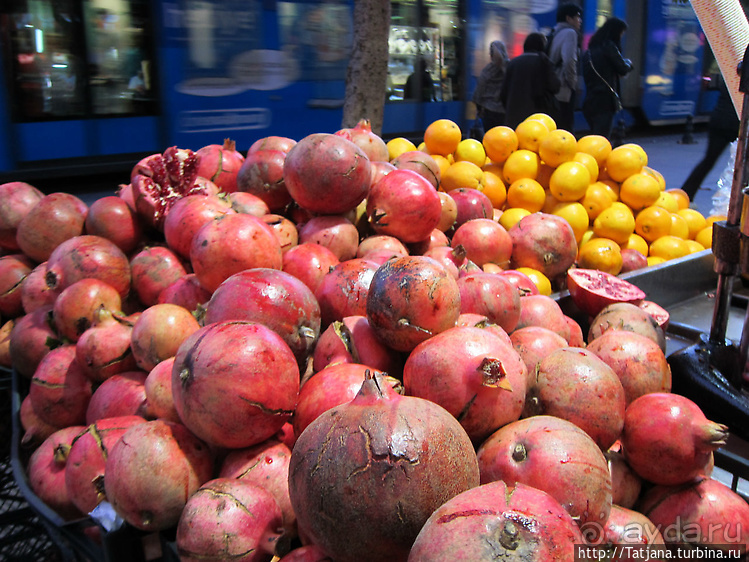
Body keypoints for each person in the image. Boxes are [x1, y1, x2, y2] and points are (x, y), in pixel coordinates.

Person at [680, 75, 740, 200]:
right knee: (742, 165)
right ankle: (738, 201)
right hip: (738, 124)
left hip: (719, 120)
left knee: (708, 160)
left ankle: (685, 194)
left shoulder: (730, 72)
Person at [581, 17, 634, 138]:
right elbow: (622, 68)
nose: (621, 37)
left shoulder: (589, 51)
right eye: (621, 33)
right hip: (604, 102)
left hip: (590, 101)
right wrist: (629, 63)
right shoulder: (609, 47)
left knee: (594, 137)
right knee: (601, 140)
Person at [500, 33, 561, 129]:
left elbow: (503, 93)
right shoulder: (544, 62)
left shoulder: (513, 63)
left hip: (513, 117)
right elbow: (555, 86)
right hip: (537, 120)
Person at [548, 3, 583, 133]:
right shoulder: (570, 33)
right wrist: (572, 83)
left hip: (552, 86)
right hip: (562, 87)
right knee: (565, 128)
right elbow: (569, 60)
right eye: (577, 17)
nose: (580, 21)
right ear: (568, 18)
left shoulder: (554, 31)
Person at [472, 40, 509, 131]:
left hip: (489, 111)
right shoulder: (510, 66)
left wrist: (479, 108)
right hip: (506, 111)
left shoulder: (488, 70)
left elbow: (479, 90)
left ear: (491, 55)